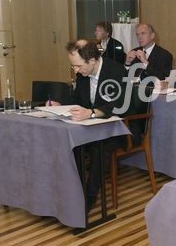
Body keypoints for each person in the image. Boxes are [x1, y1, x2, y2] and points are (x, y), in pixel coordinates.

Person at [48, 40, 127, 212]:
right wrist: (59, 105)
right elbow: (76, 100)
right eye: (73, 67)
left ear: (92, 60)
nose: (75, 70)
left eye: (78, 66)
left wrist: (91, 113)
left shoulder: (116, 71)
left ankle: (89, 197)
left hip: (117, 129)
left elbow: (119, 106)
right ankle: (73, 192)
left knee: (100, 147)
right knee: (67, 143)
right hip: (90, 126)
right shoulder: (83, 73)